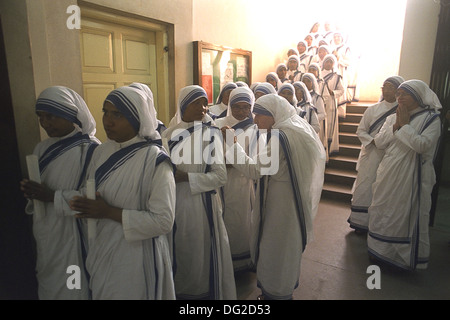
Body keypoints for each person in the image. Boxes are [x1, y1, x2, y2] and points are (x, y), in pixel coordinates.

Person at [59, 86, 176, 299]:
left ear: (136, 117)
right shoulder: (102, 152)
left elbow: (163, 221)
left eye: (118, 114)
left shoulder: (155, 160)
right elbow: (90, 193)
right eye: (105, 112)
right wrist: (59, 199)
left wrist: (108, 212)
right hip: (102, 248)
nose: (107, 121)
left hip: (137, 258)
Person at [223, 94, 326, 300]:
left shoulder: (282, 137)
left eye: (259, 116)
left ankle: (276, 294)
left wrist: (233, 144)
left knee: (276, 247)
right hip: (290, 199)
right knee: (285, 248)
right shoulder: (296, 127)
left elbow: (254, 170)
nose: (255, 120)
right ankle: (280, 290)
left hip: (282, 205)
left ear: (273, 115)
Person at [20, 86, 100, 300]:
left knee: (73, 283)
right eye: (41, 117)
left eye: (51, 116)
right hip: (48, 232)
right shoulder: (41, 148)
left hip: (74, 235)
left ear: (70, 115)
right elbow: (41, 191)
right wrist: (32, 192)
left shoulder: (91, 150)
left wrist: (51, 196)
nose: (45, 123)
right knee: (50, 281)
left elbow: (93, 197)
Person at [162, 85, 236, 300]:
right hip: (174, 203)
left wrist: (186, 177)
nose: (203, 107)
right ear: (184, 104)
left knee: (200, 257)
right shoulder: (168, 134)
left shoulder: (211, 134)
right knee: (179, 253)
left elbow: (220, 177)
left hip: (202, 206)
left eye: (205, 103)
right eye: (197, 102)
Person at [368, 80, 442, 271]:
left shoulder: (431, 119)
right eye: (398, 94)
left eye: (404, 94)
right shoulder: (394, 117)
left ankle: (400, 259)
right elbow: (380, 142)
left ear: (417, 97)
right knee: (383, 209)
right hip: (389, 171)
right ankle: (379, 251)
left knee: (403, 214)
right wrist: (395, 127)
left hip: (412, 176)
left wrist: (404, 126)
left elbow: (423, 145)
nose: (399, 97)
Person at [348, 76, 404, 232]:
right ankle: (360, 222)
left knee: (384, 187)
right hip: (371, 152)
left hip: (390, 154)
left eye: (391, 87)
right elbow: (361, 130)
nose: (387, 90)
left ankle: (378, 225)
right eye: (384, 87)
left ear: (399, 91)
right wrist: (373, 141)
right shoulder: (372, 109)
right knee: (365, 185)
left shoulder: (402, 112)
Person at [215, 87, 258, 273]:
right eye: (236, 107)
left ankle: (239, 261)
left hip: (241, 183)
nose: (241, 112)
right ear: (229, 105)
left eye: (245, 107)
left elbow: (253, 160)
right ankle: (221, 260)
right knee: (219, 218)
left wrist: (225, 162)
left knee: (239, 221)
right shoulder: (217, 123)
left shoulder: (255, 128)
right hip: (218, 182)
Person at [321, 54, 345, 156]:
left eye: (331, 62)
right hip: (320, 102)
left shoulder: (336, 76)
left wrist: (333, 93)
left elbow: (342, 90)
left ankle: (329, 150)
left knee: (330, 125)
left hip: (330, 103)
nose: (328, 64)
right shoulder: (318, 74)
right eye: (327, 61)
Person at [302, 73, 327, 156]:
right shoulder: (299, 97)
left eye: (308, 81)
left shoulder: (317, 97)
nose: (305, 83)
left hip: (312, 126)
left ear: (312, 83)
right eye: (303, 81)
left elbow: (322, 114)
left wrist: (311, 118)